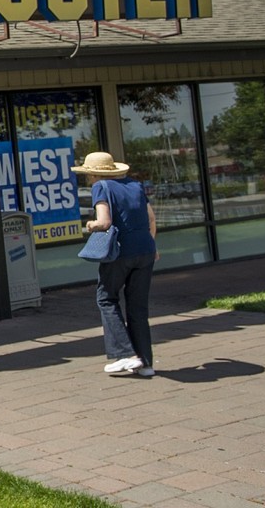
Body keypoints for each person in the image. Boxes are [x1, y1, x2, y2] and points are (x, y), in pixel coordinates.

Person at [73, 152, 158, 377]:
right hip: (146, 250)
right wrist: (152, 245)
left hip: (120, 252)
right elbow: (151, 218)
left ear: (92, 174)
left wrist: (91, 225)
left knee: (106, 297)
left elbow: (105, 221)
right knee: (138, 307)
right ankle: (146, 363)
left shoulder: (101, 187)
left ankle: (125, 354)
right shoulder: (135, 186)